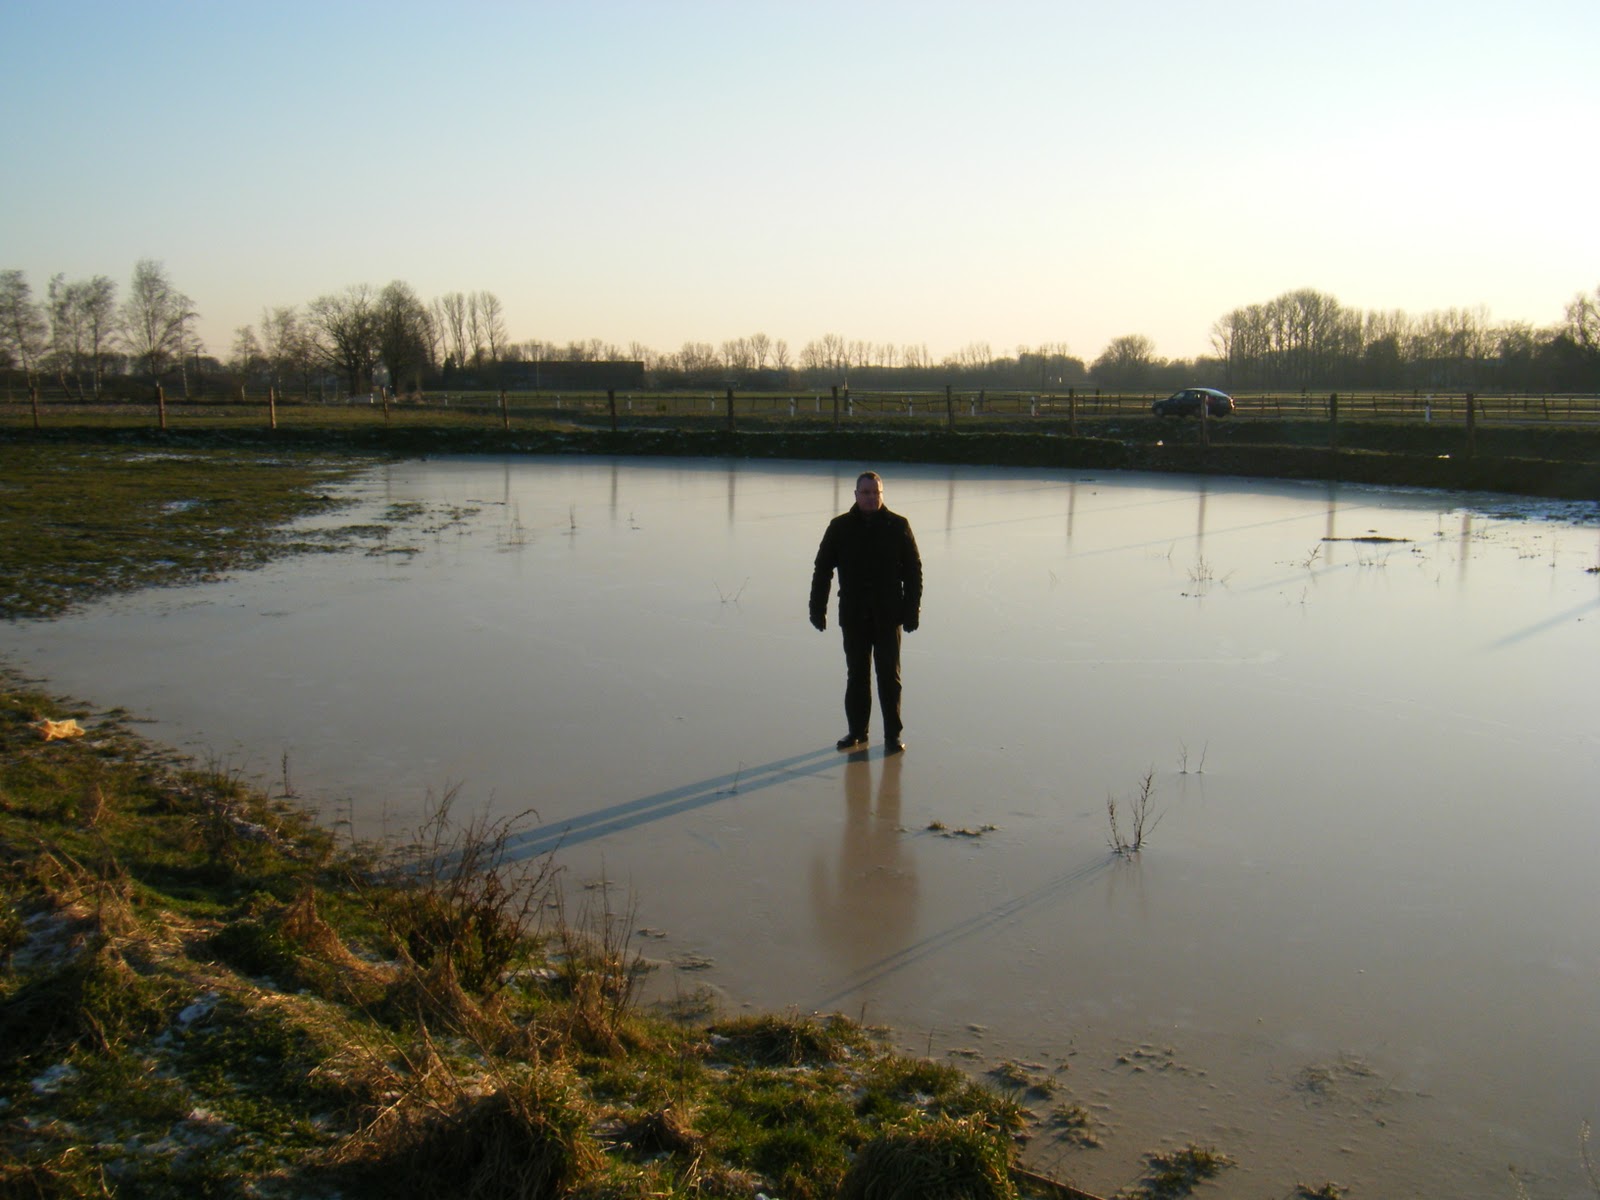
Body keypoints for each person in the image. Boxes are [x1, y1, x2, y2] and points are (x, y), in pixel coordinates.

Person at [809, 471, 922, 754]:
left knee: (889, 677)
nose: (872, 497)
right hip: (854, 615)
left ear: (882, 494)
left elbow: (913, 571)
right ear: (856, 495)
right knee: (857, 676)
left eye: (876, 492)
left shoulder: (898, 526)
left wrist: (912, 610)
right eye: (866, 492)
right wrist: (817, 608)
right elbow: (823, 570)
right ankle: (857, 732)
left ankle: (893, 736)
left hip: (888, 615)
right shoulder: (840, 527)